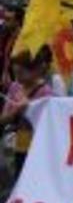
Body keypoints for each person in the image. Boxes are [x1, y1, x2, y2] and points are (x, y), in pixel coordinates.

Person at [0, 46, 54, 177]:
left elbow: (48, 126)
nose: (18, 77)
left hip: (34, 147)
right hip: (13, 144)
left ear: (36, 71)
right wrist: (15, 111)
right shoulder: (15, 87)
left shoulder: (46, 93)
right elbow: (2, 119)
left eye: (21, 72)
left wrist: (29, 110)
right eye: (16, 72)